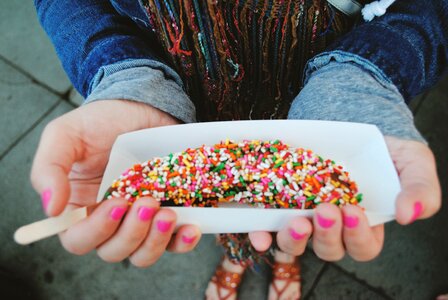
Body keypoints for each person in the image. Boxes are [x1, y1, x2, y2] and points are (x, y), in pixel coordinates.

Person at [31, 0, 444, 299]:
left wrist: (366, 73)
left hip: (322, 56)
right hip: (181, 73)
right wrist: (125, 75)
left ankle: (284, 255)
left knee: (291, 216)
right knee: (212, 199)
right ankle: (237, 256)